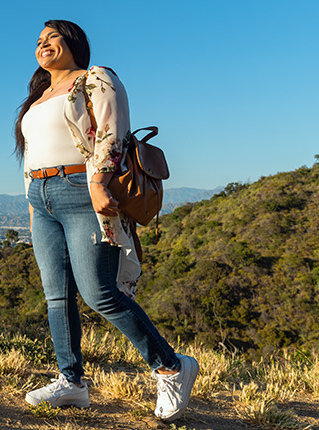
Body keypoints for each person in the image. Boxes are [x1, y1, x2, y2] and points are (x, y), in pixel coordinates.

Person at [14, 19, 198, 421]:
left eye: (52, 38)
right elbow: (31, 156)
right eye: (39, 41)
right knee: (57, 295)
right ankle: (72, 383)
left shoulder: (96, 78)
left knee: (99, 293)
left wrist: (98, 183)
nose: (43, 45)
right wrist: (33, 210)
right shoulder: (39, 96)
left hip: (82, 190)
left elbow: (112, 133)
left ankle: (171, 366)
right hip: (41, 197)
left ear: (73, 43)